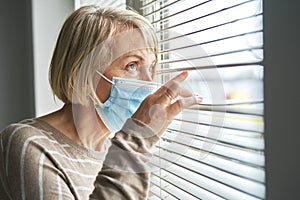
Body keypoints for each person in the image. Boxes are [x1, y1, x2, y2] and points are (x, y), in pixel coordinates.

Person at [0, 5, 202, 199]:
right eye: (132, 65)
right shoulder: (27, 143)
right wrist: (137, 136)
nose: (149, 83)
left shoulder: (114, 150)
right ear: (82, 73)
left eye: (150, 68)